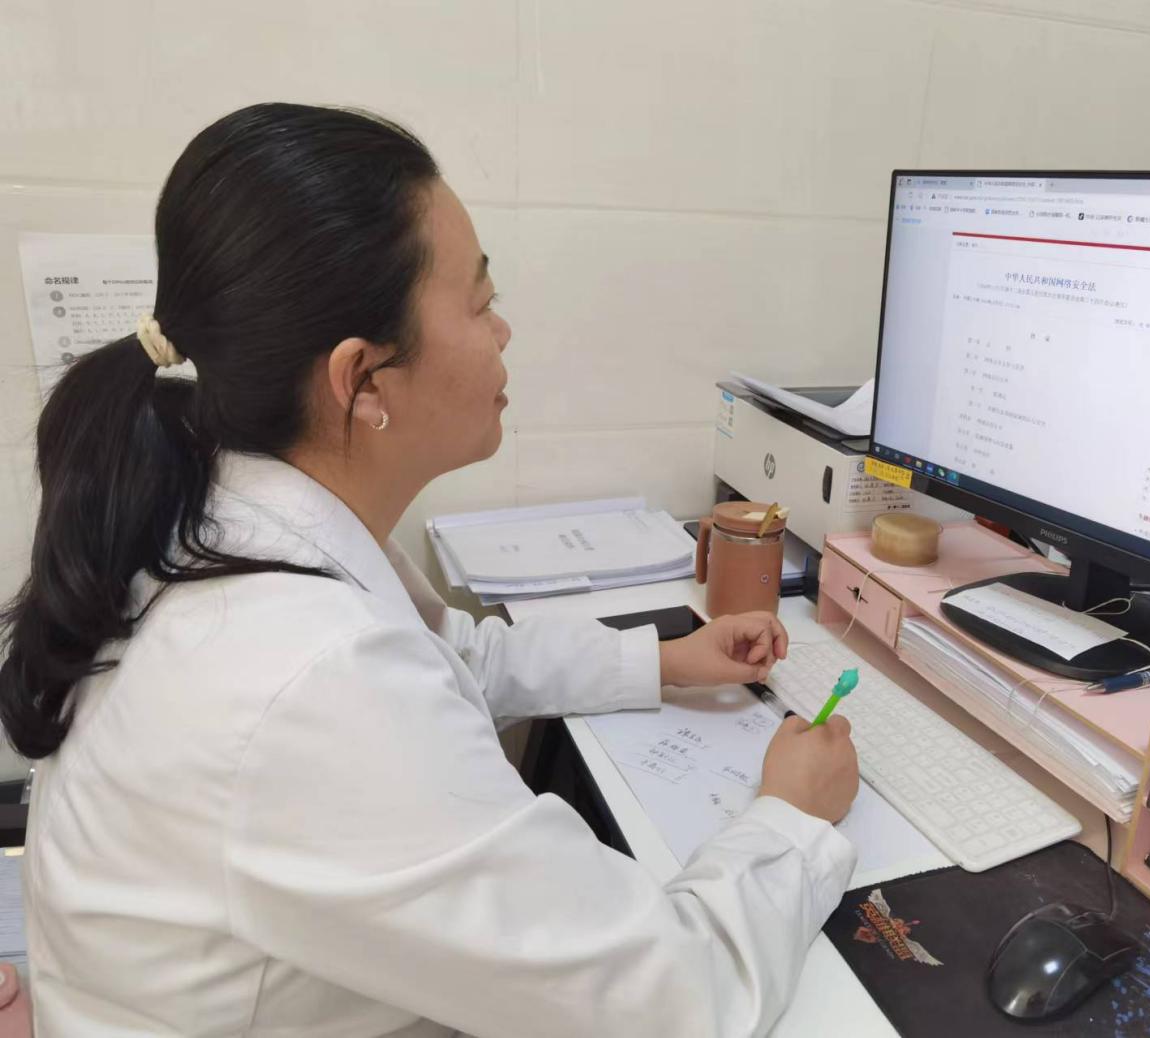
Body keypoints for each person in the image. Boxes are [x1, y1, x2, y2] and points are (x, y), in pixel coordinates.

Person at [0, 104, 861, 1036]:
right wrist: (791, 819)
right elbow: (674, 1001)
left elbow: (451, 659)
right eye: (481, 304)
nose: (505, 332)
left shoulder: (229, 506)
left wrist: (663, 662)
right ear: (363, 380)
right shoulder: (309, 679)